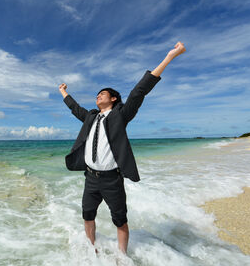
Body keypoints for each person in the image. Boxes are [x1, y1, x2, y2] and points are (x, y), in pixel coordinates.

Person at [58, 42, 186, 254]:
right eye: (97, 95)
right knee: (87, 216)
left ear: (113, 98)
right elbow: (74, 108)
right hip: (90, 178)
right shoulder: (90, 117)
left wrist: (169, 57)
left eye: (103, 94)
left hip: (111, 179)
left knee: (120, 220)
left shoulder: (120, 115)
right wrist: (63, 92)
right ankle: (91, 249)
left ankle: (122, 256)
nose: (98, 96)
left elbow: (139, 91)